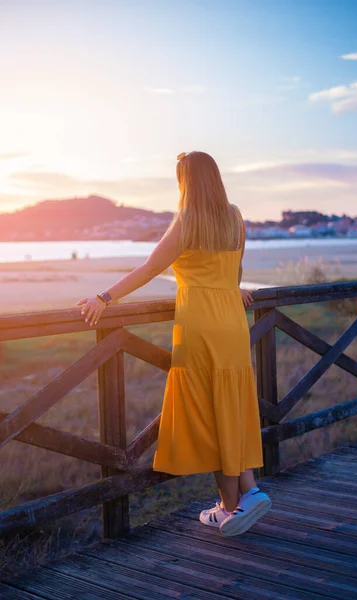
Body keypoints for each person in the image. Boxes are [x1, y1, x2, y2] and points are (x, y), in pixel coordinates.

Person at [77, 151, 272, 537]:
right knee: (230, 405)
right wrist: (236, 290)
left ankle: (231, 505)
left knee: (209, 411)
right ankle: (242, 496)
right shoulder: (234, 216)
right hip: (233, 322)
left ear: (186, 183)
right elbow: (234, 269)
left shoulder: (187, 222)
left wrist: (104, 297)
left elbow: (150, 268)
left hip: (199, 326)